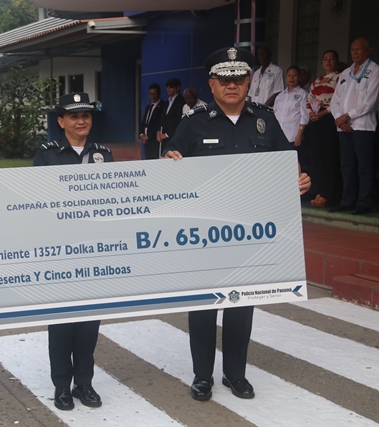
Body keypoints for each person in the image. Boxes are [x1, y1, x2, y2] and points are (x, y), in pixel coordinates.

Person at [162, 47, 311, 402]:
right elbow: (169, 162)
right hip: (204, 236)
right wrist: (168, 162)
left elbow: (286, 161)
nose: (232, 85)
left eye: (239, 79)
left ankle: (235, 374)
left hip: (248, 233)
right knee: (202, 308)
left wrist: (299, 180)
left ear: (248, 82)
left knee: (241, 305)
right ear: (212, 84)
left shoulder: (265, 120)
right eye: (224, 80)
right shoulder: (194, 121)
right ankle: (202, 376)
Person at [34, 92, 112, 411]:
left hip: (93, 250)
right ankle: (62, 386)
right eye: (74, 116)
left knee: (89, 324)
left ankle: (84, 383)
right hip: (60, 251)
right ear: (61, 121)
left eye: (86, 115)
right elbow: (35, 201)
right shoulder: (47, 155)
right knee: (61, 323)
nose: (81, 121)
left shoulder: (103, 155)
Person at [330, 37, 379, 215]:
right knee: (347, 165)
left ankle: (364, 202)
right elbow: (335, 100)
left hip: (363, 127)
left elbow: (370, 102)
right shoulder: (345, 73)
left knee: (364, 166)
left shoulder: (374, 70)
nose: (355, 53)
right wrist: (339, 119)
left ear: (368, 50)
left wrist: (346, 116)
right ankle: (347, 200)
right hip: (344, 127)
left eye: (359, 49)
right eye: (352, 49)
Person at [305, 50, 342, 208]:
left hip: (329, 117)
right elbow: (309, 98)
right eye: (325, 59)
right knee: (317, 157)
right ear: (322, 62)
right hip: (315, 119)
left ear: (336, 62)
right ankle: (317, 191)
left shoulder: (339, 78)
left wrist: (323, 113)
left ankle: (327, 194)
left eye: (332, 59)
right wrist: (311, 113)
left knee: (329, 157)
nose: (328, 61)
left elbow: (338, 100)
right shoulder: (317, 80)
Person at [273, 65, 309, 147]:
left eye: (294, 75)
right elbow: (274, 114)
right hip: (278, 136)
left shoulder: (303, 94)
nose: (291, 78)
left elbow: (304, 117)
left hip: (293, 137)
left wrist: (299, 135)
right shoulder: (280, 96)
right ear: (286, 78)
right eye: (289, 75)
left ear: (299, 78)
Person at [157, 78, 186, 149]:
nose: (168, 89)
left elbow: (178, 120)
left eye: (171, 86)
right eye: (167, 87)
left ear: (177, 88)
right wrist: (159, 131)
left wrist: (167, 134)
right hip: (164, 139)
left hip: (174, 137)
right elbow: (163, 118)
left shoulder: (181, 101)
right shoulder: (167, 102)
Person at [139, 83, 166, 159]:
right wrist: (141, 134)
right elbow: (144, 123)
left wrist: (149, 136)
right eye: (151, 94)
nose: (152, 96)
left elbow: (159, 124)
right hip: (147, 142)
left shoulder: (163, 106)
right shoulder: (148, 107)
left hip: (155, 142)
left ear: (159, 93)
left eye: (154, 94)